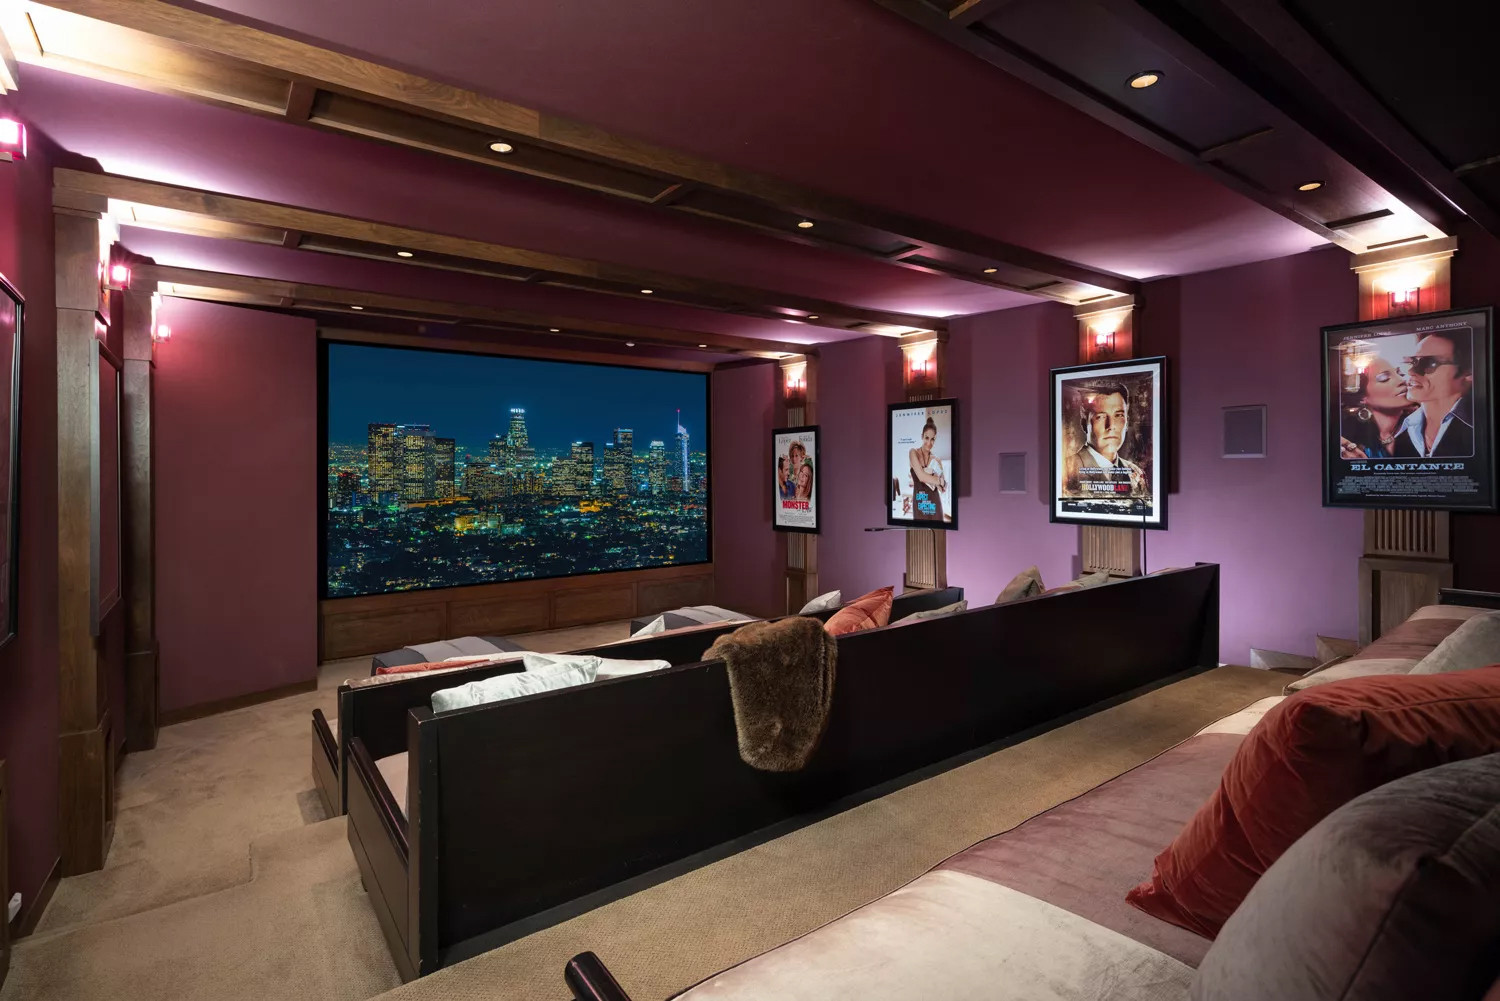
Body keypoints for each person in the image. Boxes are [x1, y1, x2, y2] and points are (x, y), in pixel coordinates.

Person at [1392, 331, 1475, 458]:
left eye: (1429, 363)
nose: (1411, 371)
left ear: (1468, 372)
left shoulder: (1481, 427)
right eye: (1413, 362)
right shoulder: (1403, 431)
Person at [1062, 384, 1146, 497]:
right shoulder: (1066, 471)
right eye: (1100, 417)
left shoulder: (1136, 473)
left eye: (1118, 415)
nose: (1111, 426)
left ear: (1127, 422)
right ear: (1084, 424)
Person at [1339, 355, 1415, 459]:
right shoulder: (1347, 432)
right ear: (1363, 397)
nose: (1402, 380)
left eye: (1400, 373)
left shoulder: (1420, 427)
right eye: (1384, 378)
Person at [908, 416, 947, 522]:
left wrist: (942, 484)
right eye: (926, 438)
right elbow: (921, 476)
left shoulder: (937, 460)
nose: (929, 443)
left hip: (934, 504)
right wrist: (938, 480)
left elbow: (942, 488)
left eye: (932, 439)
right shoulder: (913, 453)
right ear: (922, 436)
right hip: (920, 504)